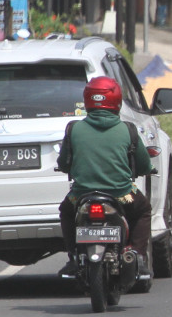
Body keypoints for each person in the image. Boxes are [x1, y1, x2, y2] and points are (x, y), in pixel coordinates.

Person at [56, 75, 153, 280]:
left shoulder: (74, 129)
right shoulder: (128, 130)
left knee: (66, 211)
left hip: (81, 195)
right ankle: (137, 255)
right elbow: (144, 164)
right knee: (143, 210)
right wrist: (147, 168)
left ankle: (73, 256)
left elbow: (64, 163)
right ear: (117, 100)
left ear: (87, 100)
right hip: (122, 194)